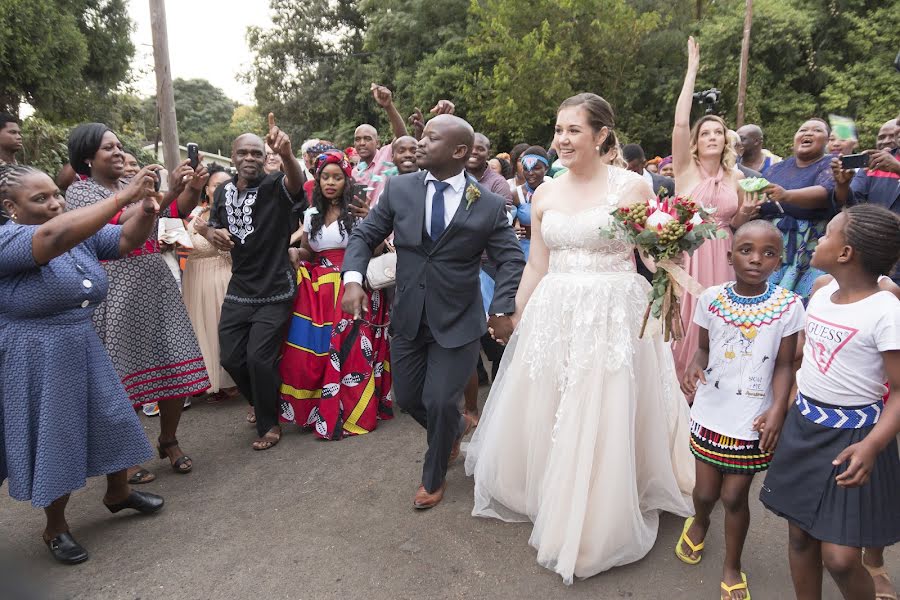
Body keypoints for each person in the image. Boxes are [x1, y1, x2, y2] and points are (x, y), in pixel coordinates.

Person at [465, 93, 695, 584]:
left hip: (614, 309)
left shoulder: (632, 186)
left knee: (603, 401)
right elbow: (536, 263)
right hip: (556, 308)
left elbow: (649, 253)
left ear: (601, 135)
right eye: (558, 129)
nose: (561, 140)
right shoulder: (545, 192)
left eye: (572, 130)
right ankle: (553, 491)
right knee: (553, 398)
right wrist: (515, 316)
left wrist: (672, 279)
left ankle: (598, 512)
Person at [341, 114, 524, 509]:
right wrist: (353, 278)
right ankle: (453, 429)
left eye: (430, 138)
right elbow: (365, 234)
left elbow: (510, 260)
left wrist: (501, 307)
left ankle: (434, 472)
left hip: (458, 318)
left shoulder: (489, 204)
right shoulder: (399, 189)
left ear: (459, 151)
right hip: (408, 315)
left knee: (441, 399)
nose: (418, 143)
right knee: (409, 398)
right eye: (421, 136)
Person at [0, 164, 166, 564]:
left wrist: (145, 209)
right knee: (58, 435)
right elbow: (51, 237)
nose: (55, 202)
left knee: (110, 416)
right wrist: (121, 198)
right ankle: (55, 527)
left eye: (55, 194)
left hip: (80, 339)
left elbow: (125, 239)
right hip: (37, 352)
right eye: (40, 199)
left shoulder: (76, 232)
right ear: (11, 208)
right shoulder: (10, 238)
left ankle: (118, 492)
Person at [760, 205, 900, 600]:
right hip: (805, 426)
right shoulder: (820, 291)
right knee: (800, 536)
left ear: (846, 253)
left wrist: (872, 446)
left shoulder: (887, 311)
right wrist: (783, 407)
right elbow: (807, 358)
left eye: (828, 233)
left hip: (854, 437)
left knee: (839, 557)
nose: (819, 238)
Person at [65, 123, 209, 483]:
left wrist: (190, 188)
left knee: (174, 364)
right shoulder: (81, 194)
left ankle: (168, 440)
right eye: (107, 148)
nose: (117, 153)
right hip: (115, 292)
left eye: (118, 146)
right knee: (122, 377)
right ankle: (126, 457)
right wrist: (159, 192)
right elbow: (119, 224)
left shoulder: (125, 188)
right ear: (87, 157)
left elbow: (169, 215)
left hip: (155, 282)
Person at [677, 220, 804, 600]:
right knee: (704, 491)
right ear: (730, 255)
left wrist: (779, 409)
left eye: (768, 253)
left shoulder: (788, 306)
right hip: (711, 411)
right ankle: (699, 520)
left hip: (752, 417)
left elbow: (785, 364)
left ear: (778, 261)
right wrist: (693, 367)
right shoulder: (711, 298)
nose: (756, 259)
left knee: (734, 497)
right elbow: (703, 348)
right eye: (746, 250)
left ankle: (732, 565)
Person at [205, 115, 305, 451]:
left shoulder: (276, 185)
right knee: (231, 358)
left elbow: (296, 184)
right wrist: (210, 231)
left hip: (276, 286)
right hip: (240, 288)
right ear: (232, 157)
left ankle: (270, 422)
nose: (250, 158)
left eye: (256, 153)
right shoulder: (222, 191)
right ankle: (262, 402)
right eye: (243, 153)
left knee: (260, 359)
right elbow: (212, 224)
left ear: (264, 157)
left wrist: (288, 155)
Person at [278, 150, 391, 438]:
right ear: (317, 180)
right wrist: (295, 252)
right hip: (321, 294)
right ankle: (323, 409)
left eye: (337, 177)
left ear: (346, 180)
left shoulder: (359, 209)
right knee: (318, 352)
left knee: (352, 350)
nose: (330, 182)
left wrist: (369, 220)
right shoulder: (312, 213)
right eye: (325, 177)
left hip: (355, 285)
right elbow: (308, 251)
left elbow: (374, 250)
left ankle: (355, 411)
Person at [671, 38, 745, 381]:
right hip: (692, 257)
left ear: (726, 140)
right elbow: (681, 123)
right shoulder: (685, 170)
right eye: (706, 133)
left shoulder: (737, 176)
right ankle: (682, 391)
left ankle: (719, 386)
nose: (712, 136)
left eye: (718, 132)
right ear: (697, 142)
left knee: (723, 321)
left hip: (727, 255)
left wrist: (750, 212)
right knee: (687, 322)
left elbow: (740, 220)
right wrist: (692, 72)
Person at [741, 118, 836, 301]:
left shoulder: (830, 163)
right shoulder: (776, 169)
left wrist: (786, 195)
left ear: (827, 140)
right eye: (802, 130)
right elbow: (764, 203)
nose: (808, 133)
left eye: (816, 130)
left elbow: (826, 192)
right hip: (771, 245)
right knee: (764, 302)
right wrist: (756, 210)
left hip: (807, 246)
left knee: (801, 303)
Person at [181, 165, 238, 403]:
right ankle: (204, 380)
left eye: (227, 184)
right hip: (194, 277)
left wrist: (207, 232)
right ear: (207, 188)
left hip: (221, 275)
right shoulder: (195, 213)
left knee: (219, 328)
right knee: (198, 328)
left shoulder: (235, 213)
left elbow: (231, 249)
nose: (221, 188)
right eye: (216, 184)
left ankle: (229, 381)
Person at [832, 118, 900, 284]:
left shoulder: (892, 164)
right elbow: (852, 205)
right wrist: (843, 185)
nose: (889, 140)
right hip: (876, 254)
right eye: (882, 136)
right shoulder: (876, 165)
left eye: (895, 134)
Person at [353, 83, 409, 205]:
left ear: (377, 143)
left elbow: (403, 137)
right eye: (357, 139)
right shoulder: (354, 172)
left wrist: (388, 106)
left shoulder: (387, 154)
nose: (362, 143)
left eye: (367, 139)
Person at [511, 146, 550, 259]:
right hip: (525, 252)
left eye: (536, 168)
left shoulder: (554, 191)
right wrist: (513, 229)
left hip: (550, 250)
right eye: (526, 169)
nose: (530, 173)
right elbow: (505, 224)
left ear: (546, 169)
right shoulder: (516, 195)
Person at [468, 133, 513, 202]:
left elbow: (504, 210)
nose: (474, 152)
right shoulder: (453, 175)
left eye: (480, 149)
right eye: (470, 147)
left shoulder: (498, 183)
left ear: (488, 154)